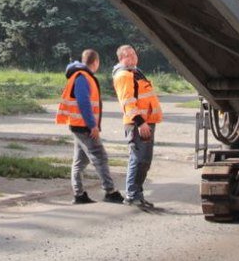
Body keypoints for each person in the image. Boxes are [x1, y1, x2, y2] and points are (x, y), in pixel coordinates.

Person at [56, 49, 124, 205]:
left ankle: (79, 195)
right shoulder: (82, 77)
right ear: (96, 62)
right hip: (83, 126)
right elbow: (84, 103)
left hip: (78, 125)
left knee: (80, 162)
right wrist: (92, 125)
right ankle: (110, 192)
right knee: (100, 157)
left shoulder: (80, 75)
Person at [112, 44, 163, 208]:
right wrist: (140, 122)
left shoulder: (135, 72)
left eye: (134, 54)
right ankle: (132, 195)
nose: (133, 57)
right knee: (138, 159)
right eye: (128, 55)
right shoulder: (124, 75)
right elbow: (127, 102)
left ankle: (137, 194)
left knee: (144, 161)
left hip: (146, 122)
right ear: (121, 58)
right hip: (137, 124)